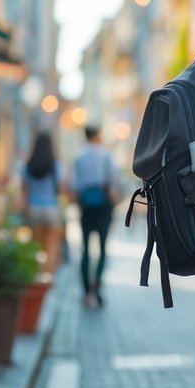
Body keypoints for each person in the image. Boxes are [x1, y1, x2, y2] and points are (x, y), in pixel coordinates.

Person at [71, 125, 116, 307]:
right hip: (103, 207)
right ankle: (96, 287)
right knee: (103, 249)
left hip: (86, 206)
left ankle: (85, 290)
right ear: (98, 135)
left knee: (85, 249)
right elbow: (114, 183)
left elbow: (73, 187)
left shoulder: (79, 158)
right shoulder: (106, 155)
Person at [21, 131, 64, 276]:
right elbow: (60, 186)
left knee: (35, 245)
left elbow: (24, 189)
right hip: (51, 207)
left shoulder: (28, 165)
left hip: (34, 207)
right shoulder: (55, 164)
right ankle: (48, 277)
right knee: (51, 246)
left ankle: (35, 275)